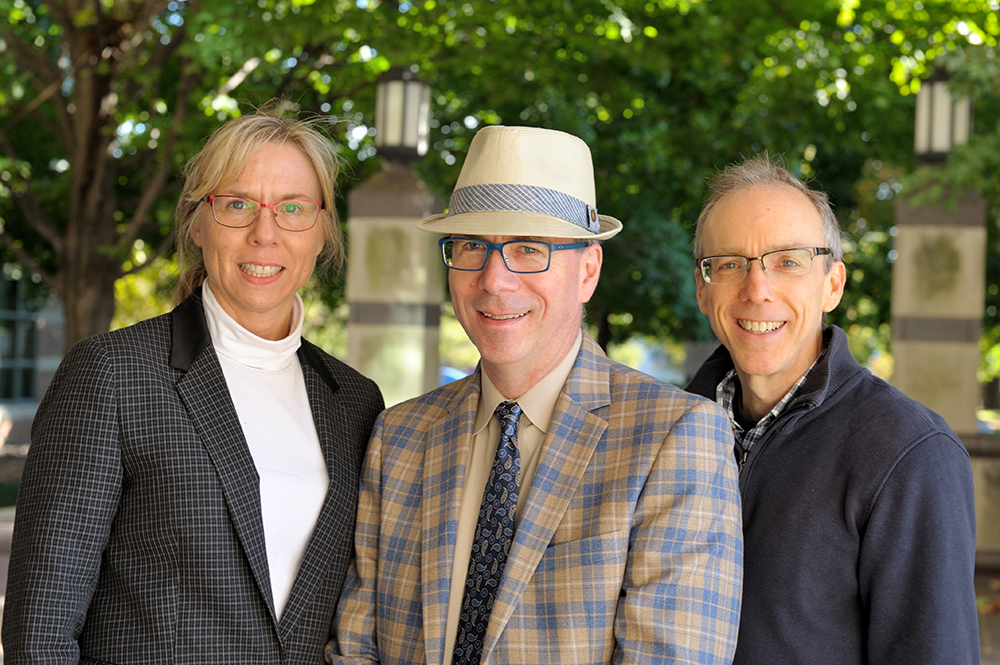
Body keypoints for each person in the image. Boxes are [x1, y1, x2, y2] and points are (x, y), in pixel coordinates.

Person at [326, 125, 743, 665]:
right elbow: (356, 649)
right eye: (473, 246)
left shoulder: (676, 437)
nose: (495, 280)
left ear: (588, 270)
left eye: (529, 249)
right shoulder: (399, 436)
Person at [3, 109, 385, 663]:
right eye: (236, 205)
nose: (265, 233)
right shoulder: (112, 376)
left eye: (293, 209)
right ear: (198, 223)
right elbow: (40, 633)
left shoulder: (354, 401)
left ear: (322, 231)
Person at [685, 153, 979, 664]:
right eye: (729, 264)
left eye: (788, 261)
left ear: (833, 285)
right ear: (702, 290)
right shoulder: (671, 431)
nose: (757, 290)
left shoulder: (908, 454)